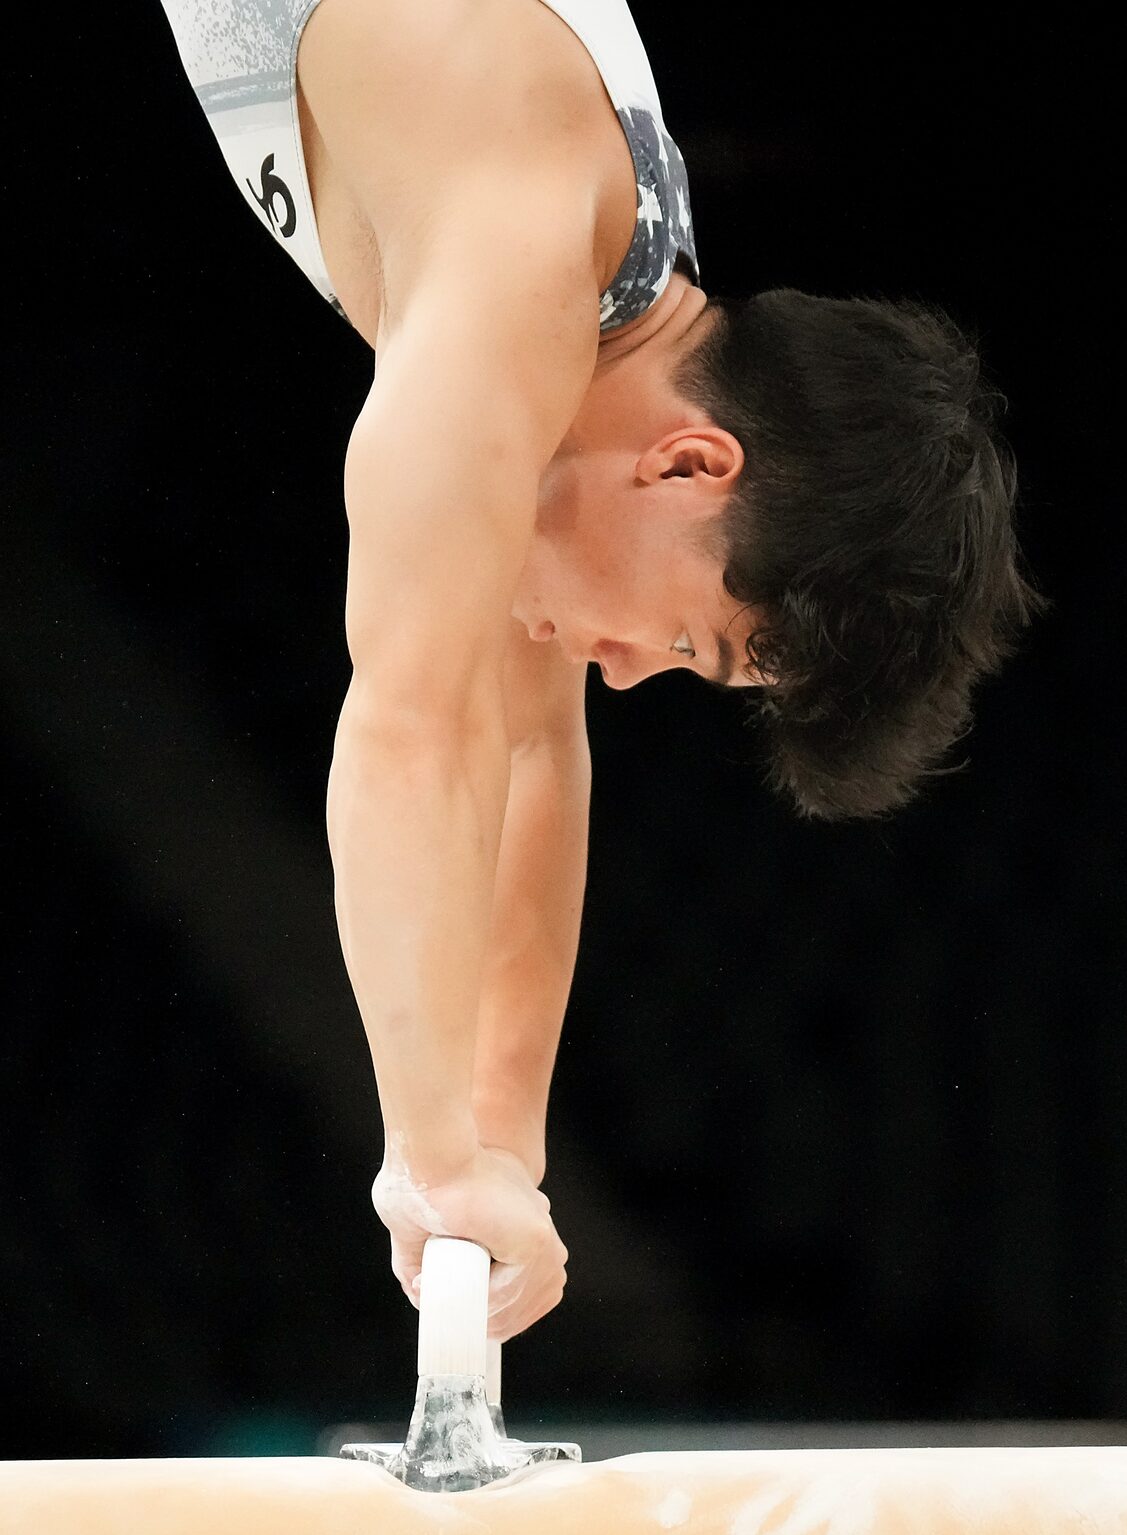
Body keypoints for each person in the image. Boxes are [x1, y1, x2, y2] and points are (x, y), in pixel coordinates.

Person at [156, 0, 1046, 1344]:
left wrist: (503, 1137)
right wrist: (429, 1156)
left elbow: (529, 752)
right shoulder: (518, 259)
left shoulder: (592, 316)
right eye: (691, 644)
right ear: (692, 467)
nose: (629, 675)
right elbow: (413, 726)